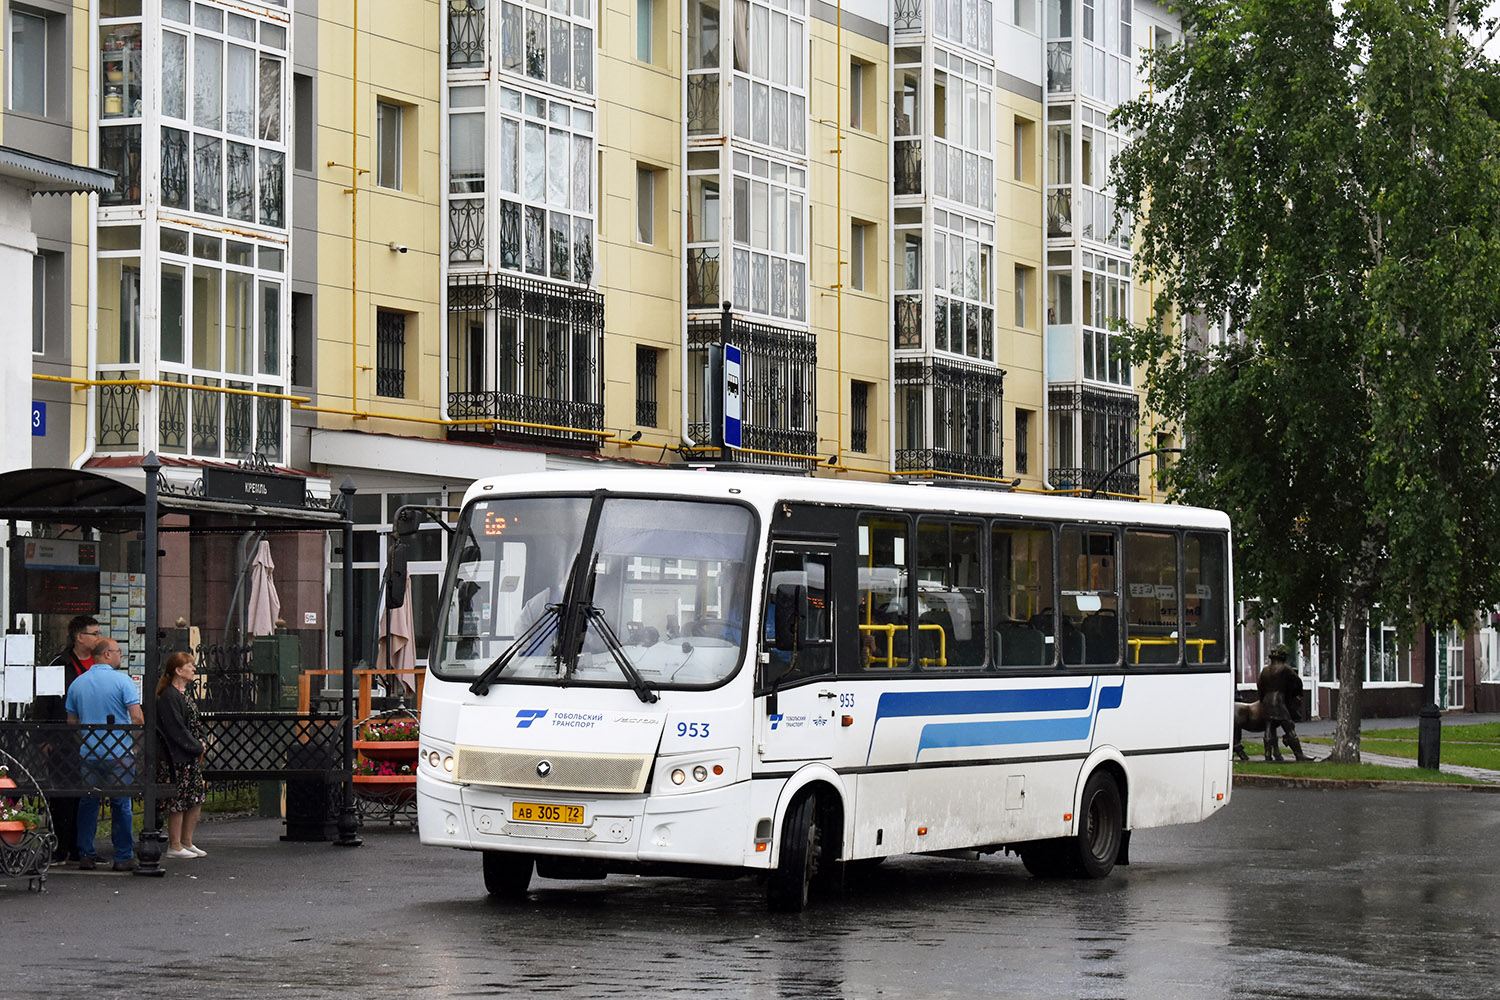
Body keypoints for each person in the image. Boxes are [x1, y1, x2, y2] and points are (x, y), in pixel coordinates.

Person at [64, 637, 143, 871]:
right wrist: (136, 745)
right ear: (106, 654)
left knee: (89, 801)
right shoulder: (123, 681)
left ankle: (86, 854)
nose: (121, 656)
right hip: (119, 753)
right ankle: (123, 855)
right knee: (121, 803)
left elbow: (72, 722)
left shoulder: (78, 683)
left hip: (89, 754)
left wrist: (86, 741)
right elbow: (137, 717)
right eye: (118, 652)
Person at [34, 615, 104, 863]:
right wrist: (43, 740)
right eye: (94, 633)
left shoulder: (101, 664)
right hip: (63, 742)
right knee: (63, 795)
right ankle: (61, 846)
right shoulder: (59, 665)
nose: (98, 637)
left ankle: (81, 847)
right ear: (79, 637)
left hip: (94, 741)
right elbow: (43, 703)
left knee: (88, 794)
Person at [155, 651, 208, 860]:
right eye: (189, 665)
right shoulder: (169, 697)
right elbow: (176, 729)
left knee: (194, 798)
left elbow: (195, 723)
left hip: (189, 755)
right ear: (178, 670)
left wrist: (201, 741)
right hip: (176, 757)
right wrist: (197, 746)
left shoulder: (184, 695)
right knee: (178, 800)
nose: (194, 669)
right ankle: (175, 844)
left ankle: (187, 841)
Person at [1257, 645, 1310, 762]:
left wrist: (1262, 699)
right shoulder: (1285, 669)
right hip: (1278, 701)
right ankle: (1299, 754)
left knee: (1268, 728)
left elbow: (1260, 685)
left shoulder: (1265, 670)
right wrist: (1295, 694)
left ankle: (1267, 755)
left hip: (1266, 701)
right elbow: (1298, 682)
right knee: (1289, 727)